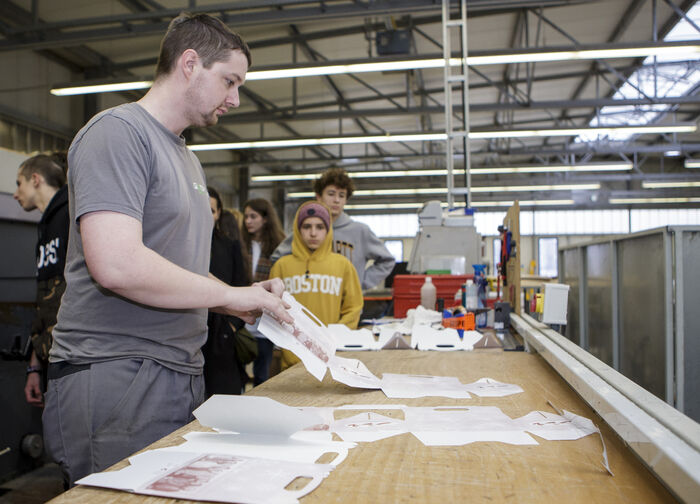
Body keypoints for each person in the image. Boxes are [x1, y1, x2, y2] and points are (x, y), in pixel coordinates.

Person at [43, 12, 292, 487]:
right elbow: (116, 266)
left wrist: (245, 295)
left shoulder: (186, 157)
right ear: (190, 63)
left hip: (178, 371)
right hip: (118, 371)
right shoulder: (117, 133)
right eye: (229, 81)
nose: (235, 99)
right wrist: (237, 298)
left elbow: (182, 270)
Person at [270, 201, 362, 369]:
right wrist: (290, 349)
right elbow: (272, 311)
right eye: (307, 227)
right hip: (292, 359)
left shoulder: (343, 265)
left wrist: (333, 339)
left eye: (320, 227)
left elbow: (354, 307)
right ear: (298, 230)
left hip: (331, 357)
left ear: (328, 230)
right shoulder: (281, 266)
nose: (313, 233)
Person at [271, 167, 395, 290]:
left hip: (349, 303)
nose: (336, 200)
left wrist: (361, 282)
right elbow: (277, 259)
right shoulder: (308, 229)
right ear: (318, 196)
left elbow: (387, 260)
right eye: (331, 194)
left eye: (342, 195)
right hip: (314, 300)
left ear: (346, 200)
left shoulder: (360, 231)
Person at [13, 154, 69, 407]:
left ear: (35, 179)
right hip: (52, 360)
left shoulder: (71, 215)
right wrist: (34, 367)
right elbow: (44, 306)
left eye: (19, 183)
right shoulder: (44, 228)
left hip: (76, 358)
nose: (16, 193)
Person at [202, 186, 248, 396]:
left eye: (211, 211)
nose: (207, 216)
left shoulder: (230, 246)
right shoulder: (182, 246)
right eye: (202, 209)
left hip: (222, 335)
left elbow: (243, 285)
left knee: (222, 394)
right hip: (190, 330)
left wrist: (232, 325)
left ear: (219, 213)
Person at [241, 198, 286, 385]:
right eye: (246, 217)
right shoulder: (240, 244)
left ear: (265, 219)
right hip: (242, 311)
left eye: (253, 216)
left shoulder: (279, 246)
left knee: (262, 371)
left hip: (265, 317)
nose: (248, 221)